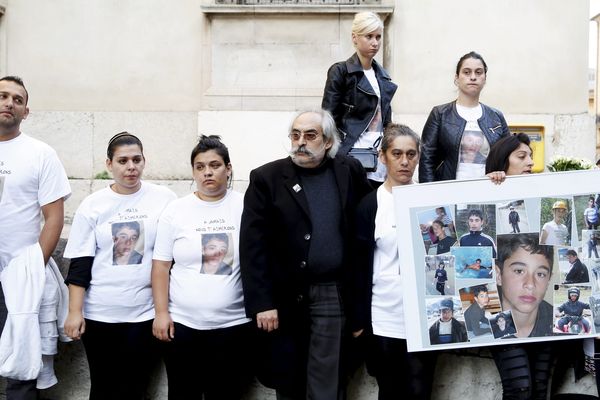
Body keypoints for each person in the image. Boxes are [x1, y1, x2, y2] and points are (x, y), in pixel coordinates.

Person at [240, 110, 371, 400]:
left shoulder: (349, 171)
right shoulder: (267, 178)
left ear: (327, 142)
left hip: (332, 293)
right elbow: (252, 246)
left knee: (328, 379)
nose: (300, 142)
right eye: (295, 134)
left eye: (310, 135)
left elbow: (371, 215)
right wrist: (262, 303)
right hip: (285, 296)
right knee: (289, 378)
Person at [63, 132, 176, 400]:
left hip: (144, 314)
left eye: (136, 160)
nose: (131, 167)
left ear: (144, 161)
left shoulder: (164, 198)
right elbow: (80, 263)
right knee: (103, 387)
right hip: (101, 314)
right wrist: (74, 312)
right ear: (109, 164)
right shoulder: (93, 205)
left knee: (137, 388)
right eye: (123, 160)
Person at [152, 136, 253, 400]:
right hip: (183, 326)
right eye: (200, 166)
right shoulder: (176, 211)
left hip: (234, 326)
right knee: (183, 393)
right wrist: (161, 313)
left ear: (228, 168)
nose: (207, 172)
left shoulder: (246, 206)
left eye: (215, 165)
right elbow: (161, 266)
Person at [0, 76, 71, 400]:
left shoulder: (40, 153)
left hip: (18, 274)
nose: (9, 103)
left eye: (17, 99)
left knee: (22, 367)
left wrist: (33, 266)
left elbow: (54, 217)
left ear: (25, 111)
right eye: (3, 96)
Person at [352, 123, 434, 399]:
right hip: (385, 318)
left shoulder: (431, 201)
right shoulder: (369, 205)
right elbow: (358, 267)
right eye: (397, 153)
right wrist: (360, 320)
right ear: (383, 156)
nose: (404, 161)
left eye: (411, 154)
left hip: (425, 319)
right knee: (389, 391)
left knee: (420, 391)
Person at [486, 134, 554, 400]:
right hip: (503, 313)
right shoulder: (486, 192)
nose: (530, 162)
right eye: (522, 156)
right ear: (503, 162)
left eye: (531, 157)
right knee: (520, 387)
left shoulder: (541, 193)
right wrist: (491, 185)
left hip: (542, 316)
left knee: (538, 388)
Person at [322, 12, 397, 187]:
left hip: (378, 155)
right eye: (369, 36)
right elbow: (328, 119)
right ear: (355, 38)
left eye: (378, 37)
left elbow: (386, 122)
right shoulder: (341, 72)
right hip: (350, 154)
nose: (375, 42)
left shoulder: (383, 77)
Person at [419, 51, 509, 183]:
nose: (473, 77)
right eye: (467, 72)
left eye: (478, 72)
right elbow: (427, 160)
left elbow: (509, 156)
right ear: (456, 78)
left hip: (488, 190)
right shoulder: (440, 114)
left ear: (485, 78)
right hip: (449, 191)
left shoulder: (496, 117)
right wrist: (431, 200)